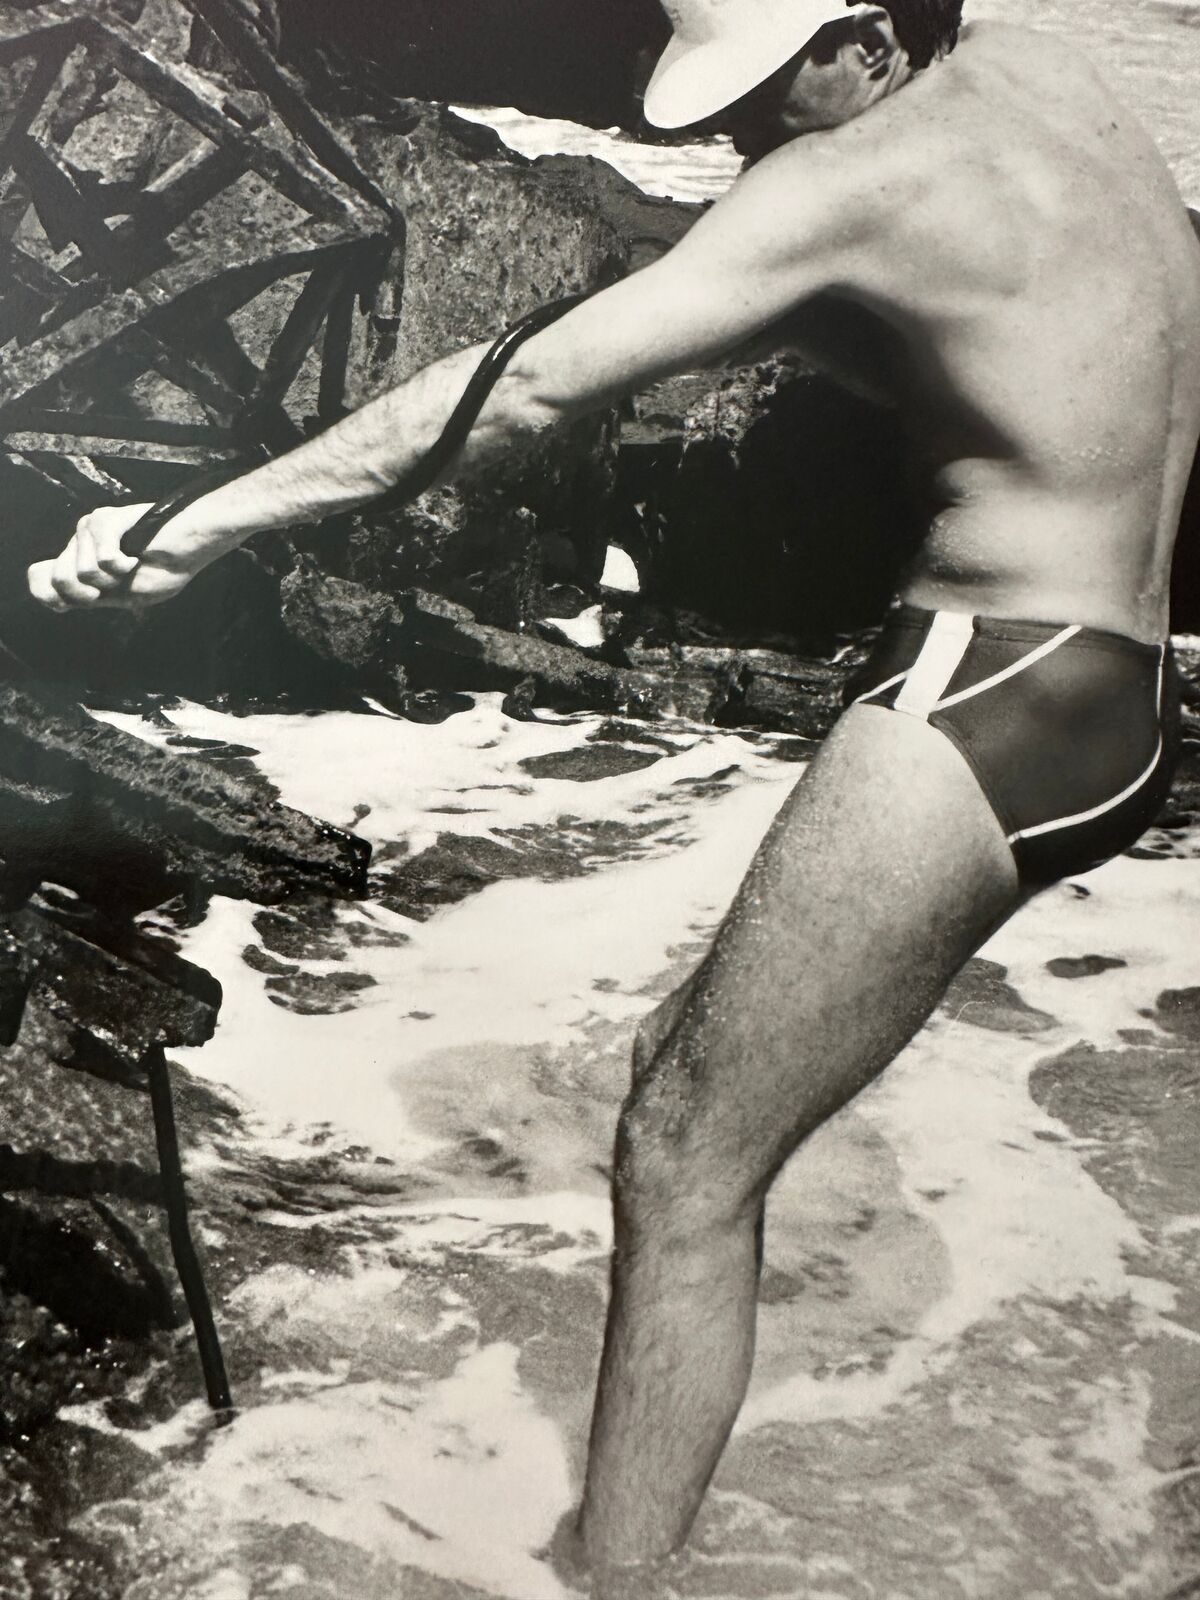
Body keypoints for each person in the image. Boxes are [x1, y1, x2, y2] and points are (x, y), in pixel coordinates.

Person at [30, 1, 1200, 1591]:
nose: (740, 142)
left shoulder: (842, 184)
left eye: (763, 97)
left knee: (682, 1153)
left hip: (984, 694)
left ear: (862, 39)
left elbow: (512, 396)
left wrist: (195, 525)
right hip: (1127, 697)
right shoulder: (1050, 72)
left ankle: (616, 1578)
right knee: (713, 1130)